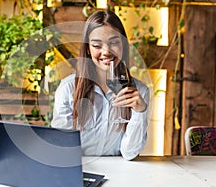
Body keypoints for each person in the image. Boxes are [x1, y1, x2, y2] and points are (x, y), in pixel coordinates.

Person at [51, 9, 149, 161]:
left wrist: (139, 112)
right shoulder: (68, 89)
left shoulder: (139, 92)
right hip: (81, 170)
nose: (106, 52)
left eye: (114, 43)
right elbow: (61, 149)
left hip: (121, 174)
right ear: (88, 49)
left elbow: (129, 153)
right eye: (97, 45)